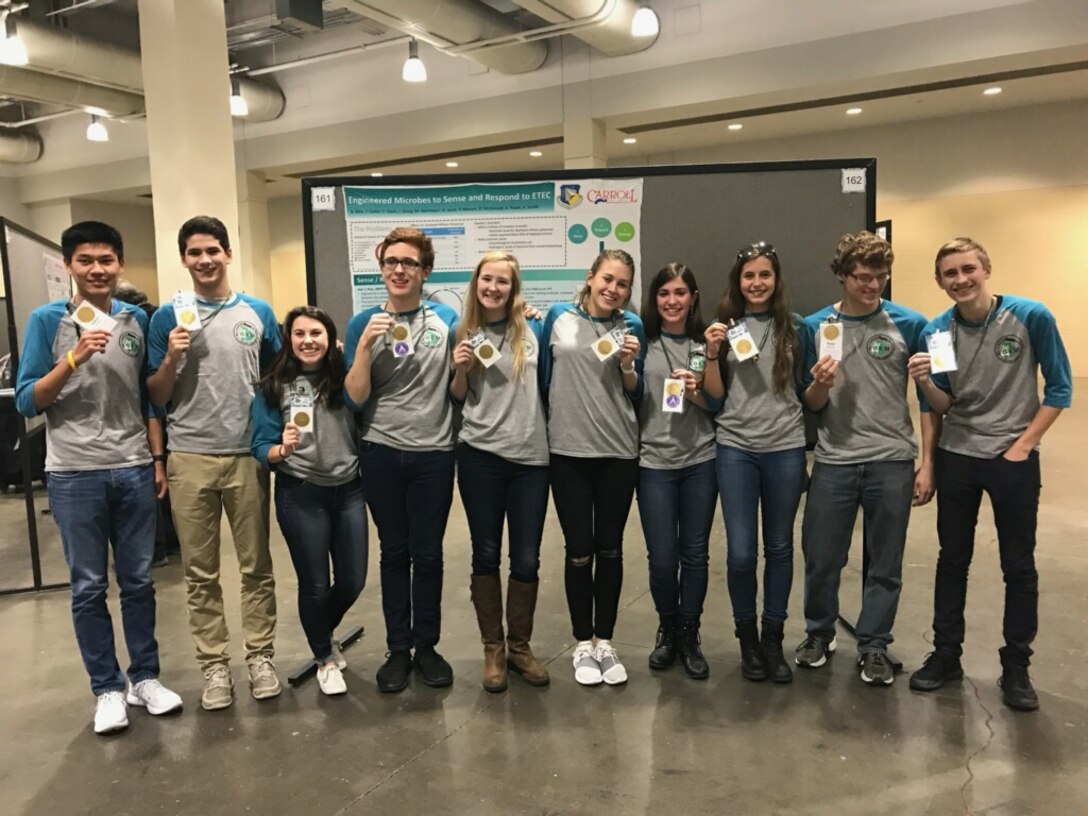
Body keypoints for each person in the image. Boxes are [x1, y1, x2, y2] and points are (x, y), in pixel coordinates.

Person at [15, 221, 182, 734]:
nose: (96, 269)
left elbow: (150, 399)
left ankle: (145, 678)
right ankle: (107, 688)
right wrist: (73, 357)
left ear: (120, 264)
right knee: (88, 586)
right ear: (69, 266)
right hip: (73, 473)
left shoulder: (135, 321)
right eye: (85, 260)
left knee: (138, 581)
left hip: (132, 468)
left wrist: (156, 461)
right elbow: (28, 400)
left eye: (106, 260)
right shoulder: (48, 321)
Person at [906, 237, 1071, 711]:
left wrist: (1022, 445)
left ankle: (1016, 667)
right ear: (939, 281)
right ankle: (945, 656)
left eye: (967, 269)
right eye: (949, 274)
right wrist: (923, 390)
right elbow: (942, 403)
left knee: (1018, 566)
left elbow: (1059, 389)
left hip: (1012, 461)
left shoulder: (1030, 316)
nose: (960, 280)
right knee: (951, 559)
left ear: (986, 268)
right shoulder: (937, 332)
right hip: (958, 456)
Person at [147, 215, 282, 710]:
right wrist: (171, 359)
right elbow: (156, 396)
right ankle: (214, 667)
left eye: (213, 251)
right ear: (184, 259)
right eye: (194, 252)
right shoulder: (167, 319)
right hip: (190, 457)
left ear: (228, 254)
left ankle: (261, 656)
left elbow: (278, 375)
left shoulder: (257, 312)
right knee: (200, 572)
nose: (205, 260)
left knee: (256, 567)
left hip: (246, 456)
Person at [797, 231, 932, 686]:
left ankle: (874, 644)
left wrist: (927, 461)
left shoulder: (911, 324)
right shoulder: (815, 326)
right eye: (861, 277)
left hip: (892, 459)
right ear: (841, 276)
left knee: (885, 561)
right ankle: (819, 632)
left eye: (879, 277)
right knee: (821, 555)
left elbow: (933, 400)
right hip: (834, 459)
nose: (872, 285)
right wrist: (819, 383)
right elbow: (811, 404)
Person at [344, 227, 459, 693]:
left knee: (428, 554)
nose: (398, 269)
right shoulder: (362, 322)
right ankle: (397, 647)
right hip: (382, 452)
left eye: (408, 262)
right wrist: (363, 348)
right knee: (394, 552)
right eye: (391, 261)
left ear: (425, 271)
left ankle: (427, 645)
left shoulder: (447, 319)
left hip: (434, 453)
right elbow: (354, 399)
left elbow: (461, 379)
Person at [702, 242, 809, 684]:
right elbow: (712, 398)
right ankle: (746, 638)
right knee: (742, 552)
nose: (757, 283)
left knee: (780, 547)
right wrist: (710, 354)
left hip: (785, 447)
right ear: (738, 281)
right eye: (749, 276)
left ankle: (772, 639)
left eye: (765, 275)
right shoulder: (722, 329)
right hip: (735, 448)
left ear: (776, 280)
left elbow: (807, 390)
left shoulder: (796, 328)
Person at [541, 249, 646, 686]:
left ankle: (605, 640)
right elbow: (545, 378)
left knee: (611, 548)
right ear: (591, 277)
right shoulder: (557, 317)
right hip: (567, 452)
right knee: (578, 549)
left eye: (622, 284)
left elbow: (635, 393)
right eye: (607, 279)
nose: (613, 289)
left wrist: (627, 366)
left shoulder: (632, 325)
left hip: (618, 452)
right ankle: (582, 642)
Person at [252, 306, 367, 696]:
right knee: (316, 584)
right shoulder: (274, 385)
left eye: (316, 333)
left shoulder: (345, 378)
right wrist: (281, 450)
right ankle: (324, 657)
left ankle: (321, 631)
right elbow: (260, 447)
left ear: (329, 336)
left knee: (352, 580)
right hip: (301, 491)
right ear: (289, 340)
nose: (308, 341)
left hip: (349, 489)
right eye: (299, 334)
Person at [450, 251, 551, 692]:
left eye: (503, 282)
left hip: (531, 458)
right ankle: (493, 647)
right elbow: (457, 397)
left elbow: (549, 386)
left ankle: (520, 646)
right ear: (477, 284)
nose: (493, 288)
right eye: (487, 280)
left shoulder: (535, 328)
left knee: (526, 556)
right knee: (485, 553)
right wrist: (460, 371)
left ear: (514, 288)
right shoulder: (463, 332)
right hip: (480, 456)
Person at [636, 263, 720, 680]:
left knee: (695, 553)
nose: (672, 300)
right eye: (664, 292)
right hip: (653, 462)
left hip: (700, 461)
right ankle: (667, 627)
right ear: (655, 299)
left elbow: (718, 408)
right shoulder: (642, 343)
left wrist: (697, 392)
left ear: (693, 297)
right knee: (662, 558)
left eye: (681, 292)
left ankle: (690, 633)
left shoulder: (706, 346)